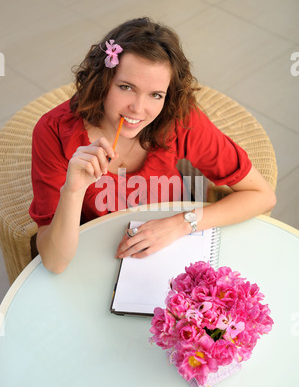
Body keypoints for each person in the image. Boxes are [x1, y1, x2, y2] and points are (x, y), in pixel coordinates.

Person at [29, 17, 276, 274]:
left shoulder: (178, 116)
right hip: (99, 255)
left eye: (155, 94)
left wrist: (181, 224)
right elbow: (55, 262)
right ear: (103, 81)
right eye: (126, 87)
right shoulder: (54, 132)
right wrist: (72, 191)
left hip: (173, 240)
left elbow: (262, 195)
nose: (138, 109)